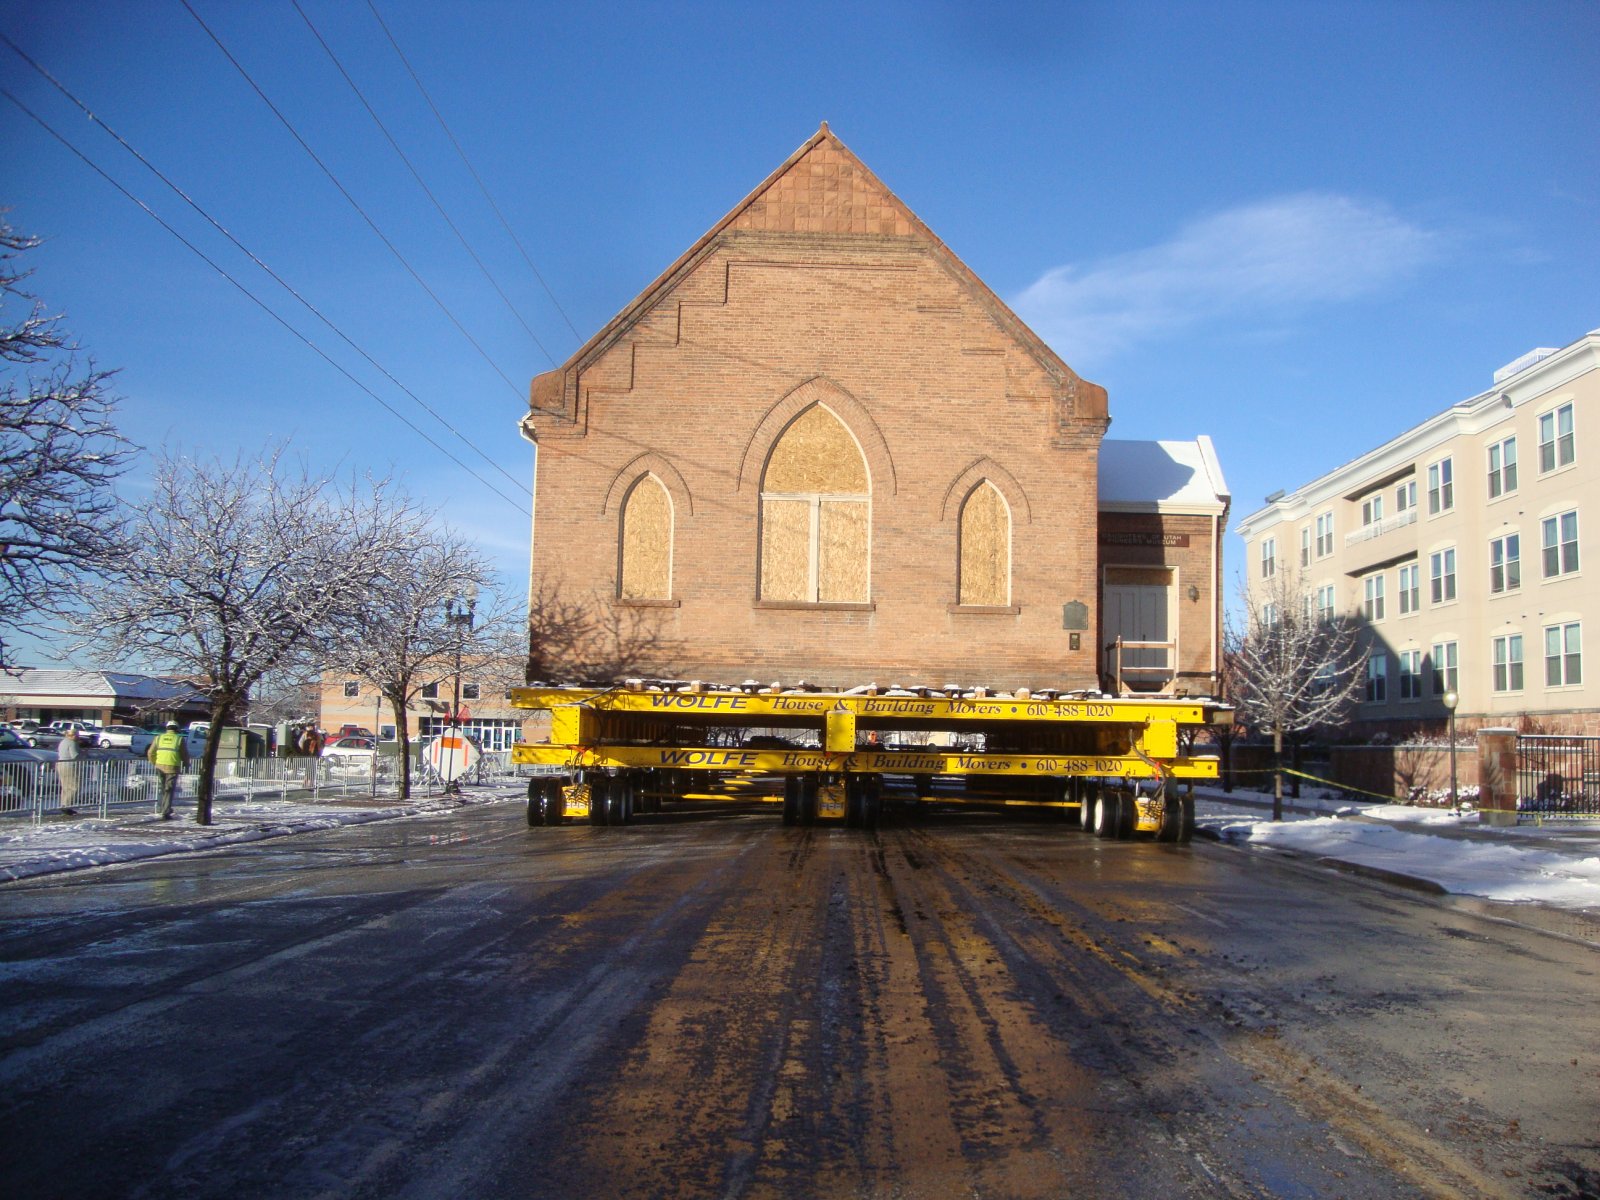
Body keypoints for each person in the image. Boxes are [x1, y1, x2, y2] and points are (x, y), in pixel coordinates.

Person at [148, 720, 188, 819]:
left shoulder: (158, 738)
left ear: (167, 728)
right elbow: (184, 754)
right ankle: (166, 811)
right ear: (177, 729)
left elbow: (150, 752)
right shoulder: (179, 739)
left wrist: (154, 762)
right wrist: (186, 764)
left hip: (159, 766)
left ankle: (164, 808)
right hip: (173, 767)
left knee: (163, 788)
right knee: (169, 789)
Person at [56, 727, 81, 813]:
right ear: (73, 735)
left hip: (60, 764)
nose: (78, 737)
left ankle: (63, 804)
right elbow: (75, 755)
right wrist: (84, 755)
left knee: (65, 786)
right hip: (70, 766)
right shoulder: (72, 743)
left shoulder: (63, 742)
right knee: (74, 787)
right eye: (77, 735)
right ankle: (67, 806)